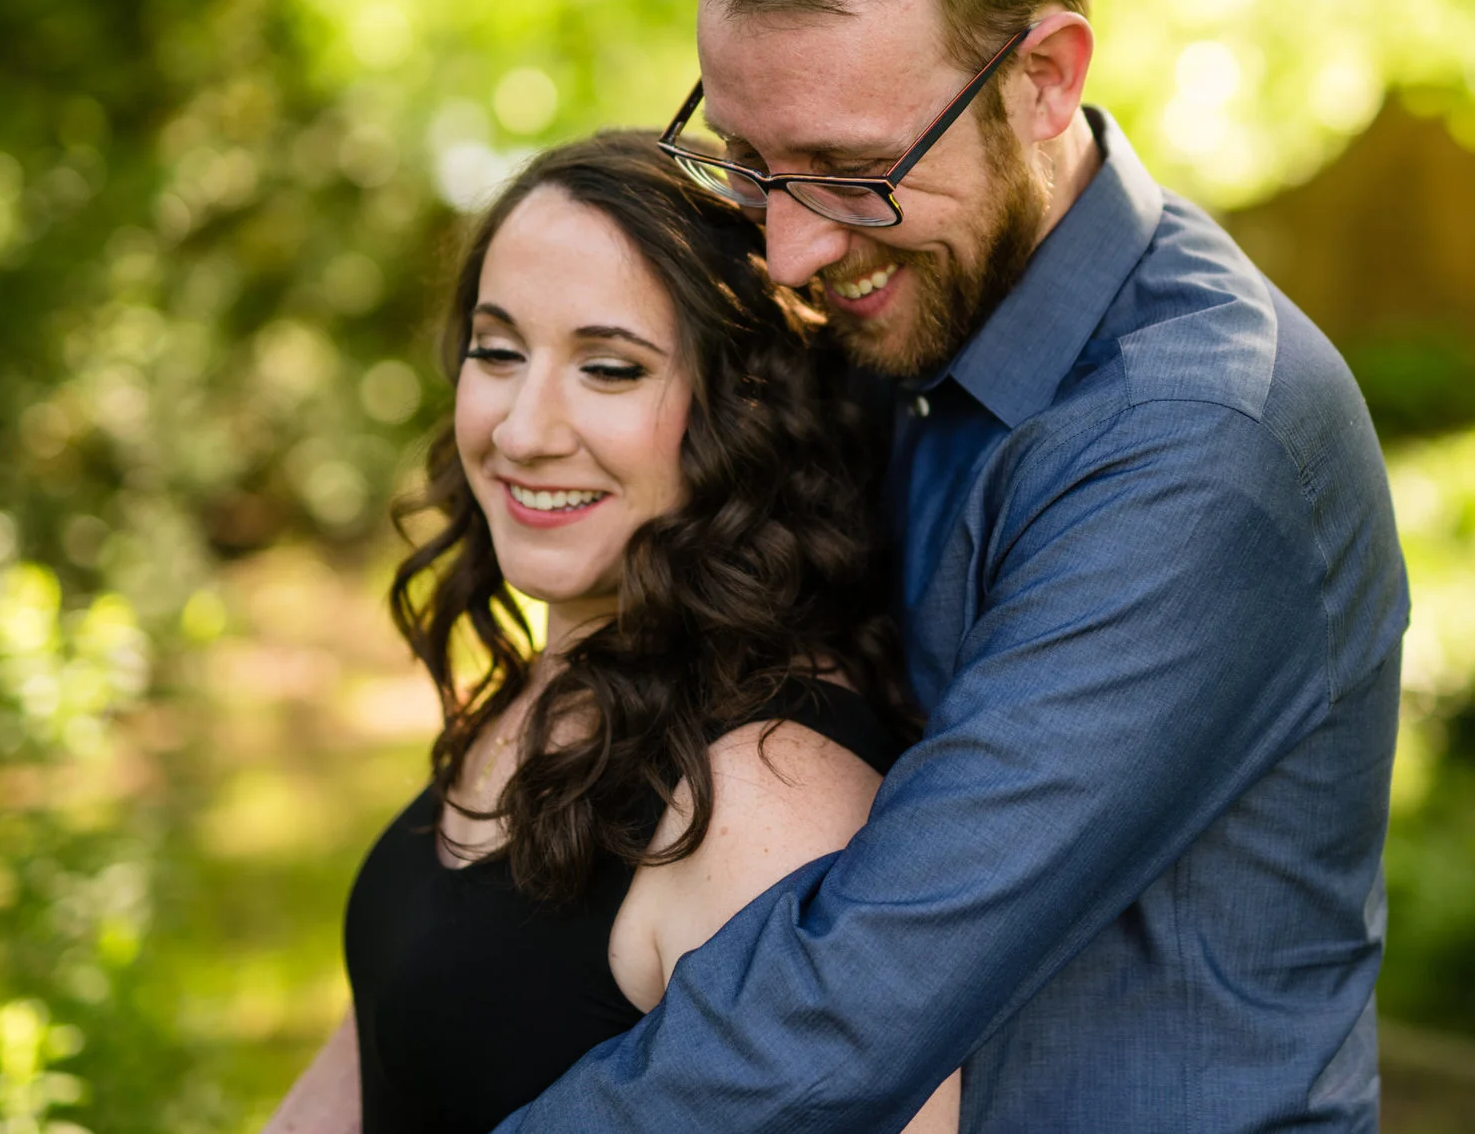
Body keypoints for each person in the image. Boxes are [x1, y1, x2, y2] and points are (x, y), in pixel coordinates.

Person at [495, 0, 1412, 1132]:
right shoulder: (913, 318)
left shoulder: (1194, 448)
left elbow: (863, 988)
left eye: (852, 170)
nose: (792, 248)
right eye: (747, 160)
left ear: (1043, 79)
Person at [262, 132, 960, 1134]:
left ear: (742, 409)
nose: (522, 429)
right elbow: (375, 1063)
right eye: (497, 352)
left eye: (609, 367)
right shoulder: (555, 688)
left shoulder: (766, 797)